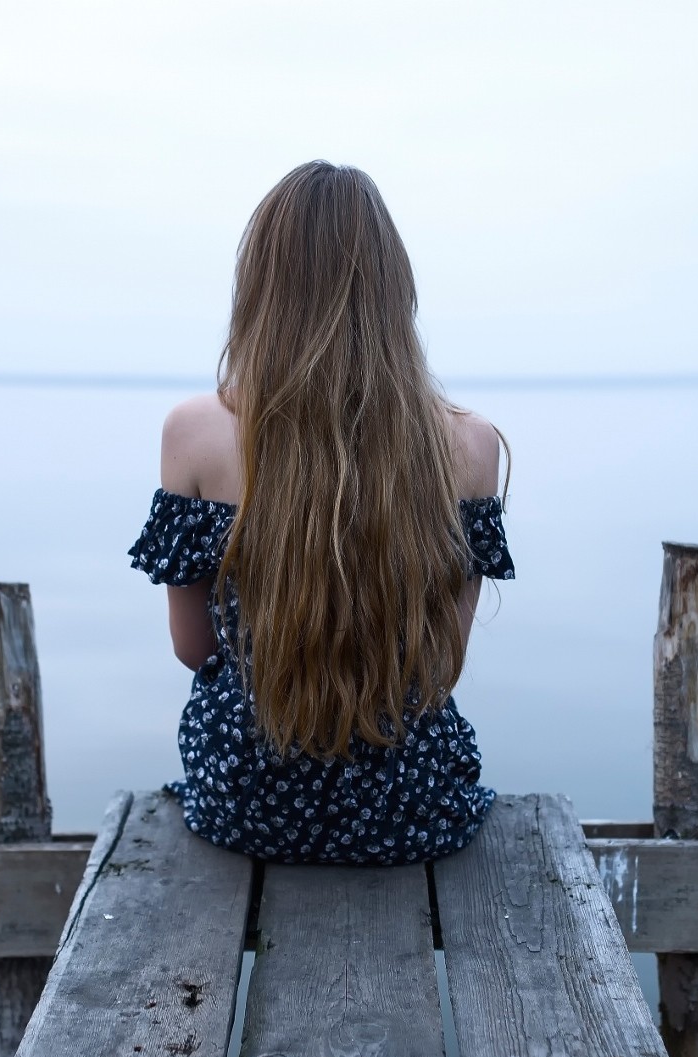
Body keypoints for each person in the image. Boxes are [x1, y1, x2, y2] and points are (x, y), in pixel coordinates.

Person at [127, 161, 513, 866]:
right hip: (408, 806)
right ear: (394, 288)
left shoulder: (194, 432)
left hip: (245, 803)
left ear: (260, 286)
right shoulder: (469, 444)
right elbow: (439, 669)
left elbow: (194, 648)